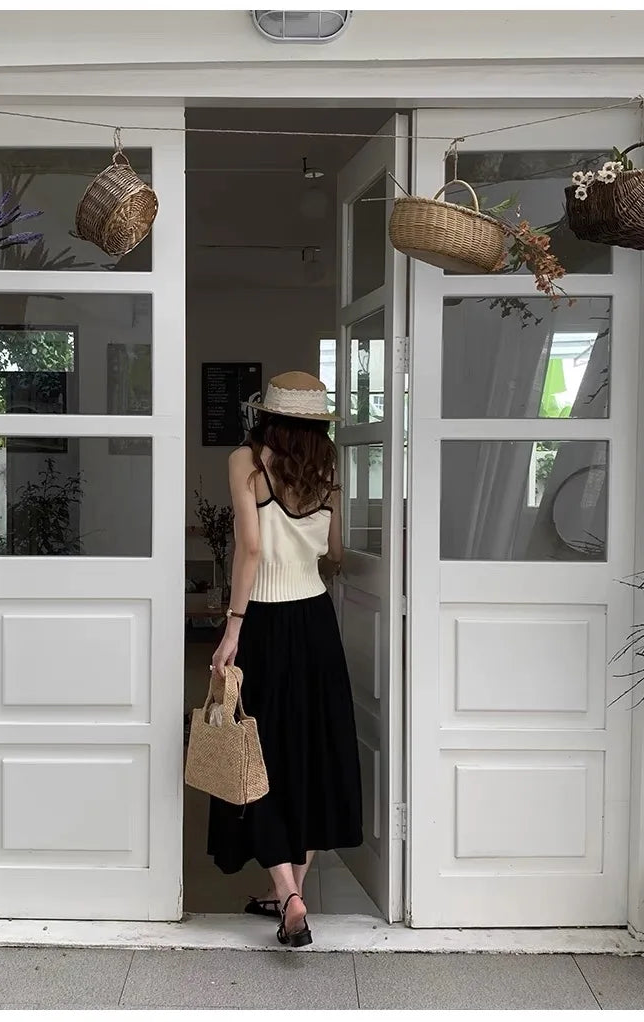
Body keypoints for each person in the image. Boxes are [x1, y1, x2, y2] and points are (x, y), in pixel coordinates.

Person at [206, 370, 363, 949]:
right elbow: (335, 552)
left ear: (268, 414)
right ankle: (292, 890)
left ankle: (286, 893)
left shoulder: (246, 461)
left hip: (264, 623)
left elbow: (250, 549)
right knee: (314, 752)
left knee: (259, 750)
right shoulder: (327, 467)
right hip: (316, 622)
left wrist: (233, 627)